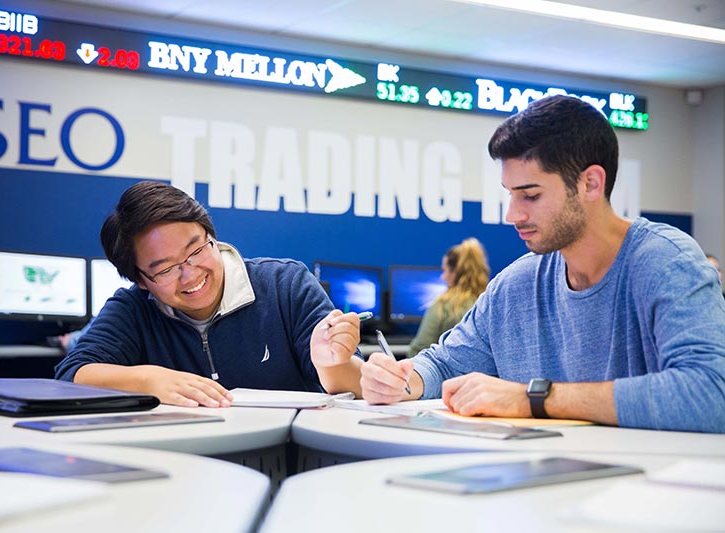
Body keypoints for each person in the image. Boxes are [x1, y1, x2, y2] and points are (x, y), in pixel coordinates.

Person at [322, 95, 725, 433]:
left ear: (590, 184)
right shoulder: (517, 285)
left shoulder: (665, 262)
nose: (513, 214)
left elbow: (711, 394)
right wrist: (402, 381)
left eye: (530, 195)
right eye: (510, 194)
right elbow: (445, 363)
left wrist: (534, 398)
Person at [54, 181, 362, 407]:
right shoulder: (133, 309)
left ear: (211, 235)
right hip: (186, 466)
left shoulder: (285, 284)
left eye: (196, 250)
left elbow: (355, 384)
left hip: (292, 464)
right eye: (165, 269)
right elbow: (72, 375)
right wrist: (149, 380)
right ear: (142, 280)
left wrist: (332, 363)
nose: (190, 274)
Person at [407, 238, 490, 356]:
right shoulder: (490, 302)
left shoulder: (443, 305)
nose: (443, 277)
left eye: (445, 270)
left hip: (449, 374)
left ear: (455, 272)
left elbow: (419, 349)